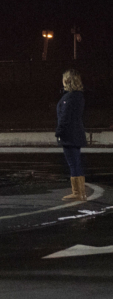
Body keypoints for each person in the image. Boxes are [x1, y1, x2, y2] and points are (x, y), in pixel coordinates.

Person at [56, 69, 87, 201]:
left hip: (69, 135)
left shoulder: (68, 98)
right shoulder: (79, 96)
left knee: (73, 163)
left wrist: (59, 132)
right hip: (77, 133)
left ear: (67, 81)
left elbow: (65, 117)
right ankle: (81, 192)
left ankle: (77, 193)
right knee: (76, 162)